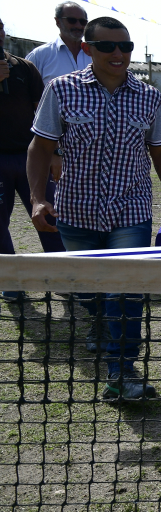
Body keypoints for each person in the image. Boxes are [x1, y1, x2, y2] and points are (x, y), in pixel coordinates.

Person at [26, 16, 161, 400]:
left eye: (125, 47)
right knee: (90, 288)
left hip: (129, 210)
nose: (119, 54)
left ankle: (122, 371)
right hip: (75, 210)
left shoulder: (149, 96)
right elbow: (40, 147)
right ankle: (99, 322)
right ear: (87, 49)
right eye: (107, 47)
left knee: (126, 287)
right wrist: (37, 198)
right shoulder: (62, 90)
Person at [0, 16, 66, 300]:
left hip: (29, 158)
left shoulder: (23, 67)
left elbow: (44, 113)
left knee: (49, 215)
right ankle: (10, 281)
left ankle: (64, 276)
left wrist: (53, 153)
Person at [25, 2, 93, 86]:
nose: (78, 26)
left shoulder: (95, 55)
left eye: (83, 22)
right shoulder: (39, 56)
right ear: (58, 22)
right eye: (72, 20)